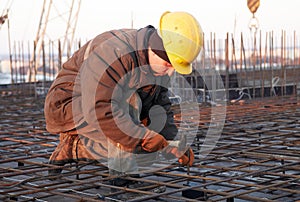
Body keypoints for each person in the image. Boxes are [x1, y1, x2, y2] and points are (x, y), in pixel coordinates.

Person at [44, 11, 203, 184]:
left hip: (107, 110)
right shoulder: (115, 52)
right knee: (131, 110)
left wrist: (173, 143)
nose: (171, 72)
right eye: (168, 64)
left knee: (150, 148)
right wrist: (141, 136)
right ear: (156, 50)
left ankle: (75, 149)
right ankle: (124, 181)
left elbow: (159, 107)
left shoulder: (157, 64)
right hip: (69, 105)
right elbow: (99, 106)